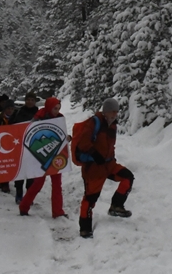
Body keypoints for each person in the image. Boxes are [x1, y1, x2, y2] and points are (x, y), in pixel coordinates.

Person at [72, 97, 134, 238]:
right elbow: (83, 143)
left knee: (127, 177)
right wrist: (95, 154)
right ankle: (85, 228)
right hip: (94, 169)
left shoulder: (112, 125)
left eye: (116, 112)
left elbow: (109, 146)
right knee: (90, 199)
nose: (115, 115)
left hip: (109, 165)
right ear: (105, 111)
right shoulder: (94, 123)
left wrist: (110, 158)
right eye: (112, 112)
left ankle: (116, 206)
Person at [18, 96, 67, 218]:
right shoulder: (38, 117)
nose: (56, 111)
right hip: (40, 155)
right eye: (55, 108)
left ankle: (58, 211)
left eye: (58, 108)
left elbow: (61, 135)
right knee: (38, 183)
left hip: (56, 155)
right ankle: (24, 206)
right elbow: (30, 134)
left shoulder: (60, 118)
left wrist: (67, 138)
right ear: (49, 107)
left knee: (57, 184)